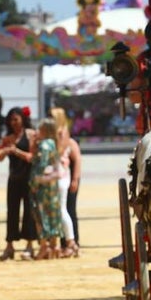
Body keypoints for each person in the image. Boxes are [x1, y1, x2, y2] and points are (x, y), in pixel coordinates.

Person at [0, 106, 37, 260]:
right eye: (11, 120)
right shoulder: (8, 137)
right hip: (13, 179)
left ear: (22, 119)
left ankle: (29, 245)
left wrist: (15, 151)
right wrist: (3, 147)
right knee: (12, 212)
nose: (13, 122)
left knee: (29, 212)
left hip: (28, 179)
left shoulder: (31, 134)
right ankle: (9, 246)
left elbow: (32, 157)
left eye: (16, 119)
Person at [29, 117, 63, 260]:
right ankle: (55, 246)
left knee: (41, 213)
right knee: (54, 213)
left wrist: (34, 184)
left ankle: (44, 246)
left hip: (42, 184)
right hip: (52, 184)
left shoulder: (44, 145)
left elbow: (41, 166)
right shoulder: (53, 144)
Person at [50, 106, 82, 256]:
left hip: (66, 177)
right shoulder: (56, 134)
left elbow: (75, 159)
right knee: (62, 210)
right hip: (61, 176)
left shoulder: (63, 134)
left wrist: (75, 179)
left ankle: (72, 242)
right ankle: (65, 242)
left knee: (68, 209)